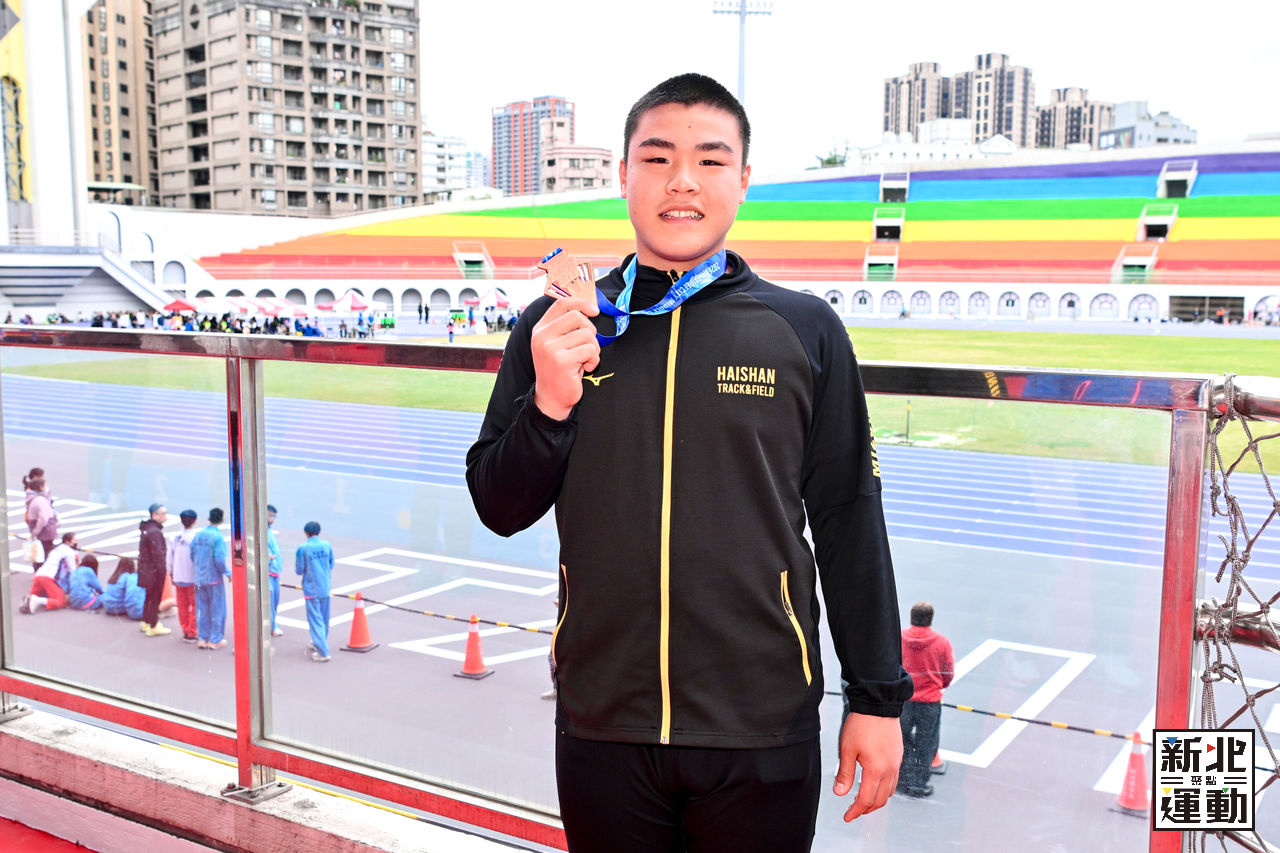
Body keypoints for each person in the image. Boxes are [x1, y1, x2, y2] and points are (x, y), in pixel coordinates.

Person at [466, 73, 911, 852]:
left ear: (743, 178)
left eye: (709, 159)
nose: (681, 180)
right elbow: (498, 505)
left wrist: (876, 698)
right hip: (604, 718)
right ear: (623, 175)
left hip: (761, 722)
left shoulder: (804, 329)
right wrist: (550, 406)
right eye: (657, 157)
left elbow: (848, 516)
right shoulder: (559, 323)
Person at [898, 601, 954, 799]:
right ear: (930, 619)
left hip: (904, 699)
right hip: (929, 702)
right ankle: (918, 784)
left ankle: (901, 779)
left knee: (901, 740)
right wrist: (939, 685)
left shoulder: (899, 638)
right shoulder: (942, 642)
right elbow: (948, 672)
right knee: (926, 743)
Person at [191, 508, 230, 650]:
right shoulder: (218, 537)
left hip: (199, 578)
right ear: (222, 519)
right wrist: (227, 572)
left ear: (209, 518)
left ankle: (202, 638)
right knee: (217, 609)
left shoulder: (198, 535)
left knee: (202, 609)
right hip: (214, 579)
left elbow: (192, 554)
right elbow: (219, 559)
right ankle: (215, 639)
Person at [295, 521, 334, 662]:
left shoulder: (303, 548)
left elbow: (299, 569)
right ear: (319, 532)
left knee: (315, 620)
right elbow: (331, 563)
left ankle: (323, 651)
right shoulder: (327, 545)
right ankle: (319, 642)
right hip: (325, 586)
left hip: (312, 589)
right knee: (324, 618)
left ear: (306, 533)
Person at [20, 532, 77, 613]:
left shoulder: (56, 549)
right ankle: (38, 600)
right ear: (68, 541)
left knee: (33, 595)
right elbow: (72, 569)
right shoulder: (69, 552)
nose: (76, 542)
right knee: (61, 601)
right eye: (74, 540)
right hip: (49, 577)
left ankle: (29, 600)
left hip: (38, 575)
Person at [137, 503, 171, 636]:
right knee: (154, 598)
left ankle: (146, 622)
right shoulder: (155, 532)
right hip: (154, 571)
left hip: (146, 569)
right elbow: (158, 555)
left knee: (149, 597)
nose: (165, 516)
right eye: (163, 513)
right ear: (155, 515)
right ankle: (153, 625)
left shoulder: (147, 529)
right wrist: (163, 571)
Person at [167, 509, 201, 642]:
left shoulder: (174, 537)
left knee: (182, 605)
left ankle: (185, 629)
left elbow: (169, 557)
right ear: (195, 521)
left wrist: (170, 572)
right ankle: (192, 631)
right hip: (192, 577)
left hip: (178, 576)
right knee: (195, 606)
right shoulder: (197, 537)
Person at [24, 473, 57, 569]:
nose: (47, 487)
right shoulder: (40, 500)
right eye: (45, 485)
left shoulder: (36, 498)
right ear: (40, 487)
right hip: (45, 534)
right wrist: (35, 532)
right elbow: (43, 518)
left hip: (43, 534)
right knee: (44, 557)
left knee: (41, 556)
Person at [267, 504, 283, 637]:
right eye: (270, 515)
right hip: (268, 572)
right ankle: (272, 626)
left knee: (275, 601)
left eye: (274, 516)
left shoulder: (269, 531)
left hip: (275, 571)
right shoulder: (261, 531)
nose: (272, 518)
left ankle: (272, 625)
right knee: (270, 602)